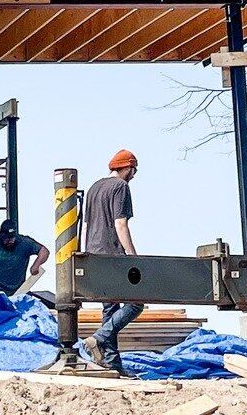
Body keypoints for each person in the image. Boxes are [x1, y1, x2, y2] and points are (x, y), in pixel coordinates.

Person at [81, 150, 141, 374]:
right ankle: (99, 337)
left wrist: (85, 253)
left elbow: (85, 226)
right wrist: (133, 257)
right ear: (128, 168)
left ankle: (111, 364)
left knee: (110, 307)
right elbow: (120, 224)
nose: (133, 175)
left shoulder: (94, 187)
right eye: (133, 171)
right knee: (136, 303)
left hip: (94, 254)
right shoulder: (121, 187)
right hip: (112, 255)